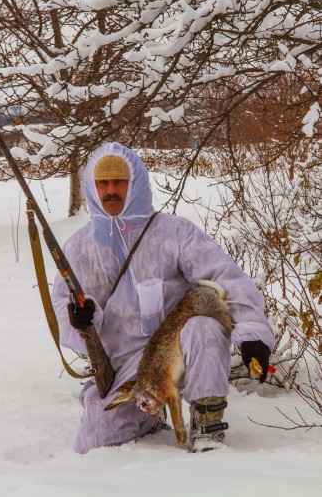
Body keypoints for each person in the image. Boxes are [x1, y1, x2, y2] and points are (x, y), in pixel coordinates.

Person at [51, 142, 275, 454]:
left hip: (177, 347)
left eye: (119, 182)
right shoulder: (78, 248)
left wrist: (252, 333)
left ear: (136, 184)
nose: (111, 191)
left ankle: (207, 422)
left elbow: (223, 277)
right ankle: (147, 419)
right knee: (95, 443)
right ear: (92, 187)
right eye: (103, 183)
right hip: (125, 365)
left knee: (204, 327)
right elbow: (61, 308)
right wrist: (79, 320)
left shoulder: (174, 233)